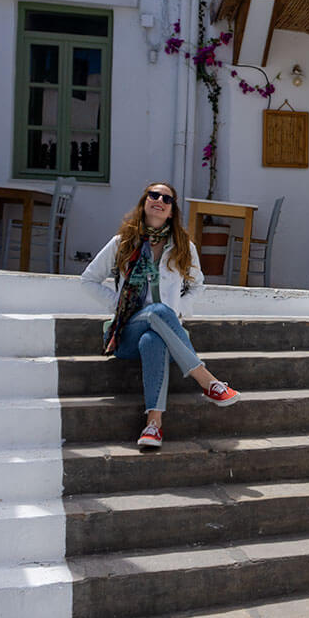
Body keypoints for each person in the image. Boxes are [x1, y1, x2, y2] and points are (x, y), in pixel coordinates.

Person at [81, 182, 240, 449]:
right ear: (144, 203)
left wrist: (178, 310)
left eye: (167, 198)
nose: (159, 200)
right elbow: (88, 280)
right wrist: (119, 304)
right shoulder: (122, 243)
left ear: (171, 211)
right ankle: (206, 380)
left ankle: (153, 425)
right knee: (156, 312)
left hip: (163, 332)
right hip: (127, 331)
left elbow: (197, 285)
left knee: (154, 338)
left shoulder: (182, 247)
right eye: (153, 195)